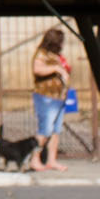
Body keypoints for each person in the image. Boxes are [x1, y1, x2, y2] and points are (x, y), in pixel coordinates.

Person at [28, 27, 72, 172]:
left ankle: (52, 160)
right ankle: (35, 158)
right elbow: (37, 70)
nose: (62, 44)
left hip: (59, 98)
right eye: (60, 41)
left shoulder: (56, 55)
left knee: (55, 131)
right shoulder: (42, 54)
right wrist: (56, 69)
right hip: (46, 97)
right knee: (45, 129)